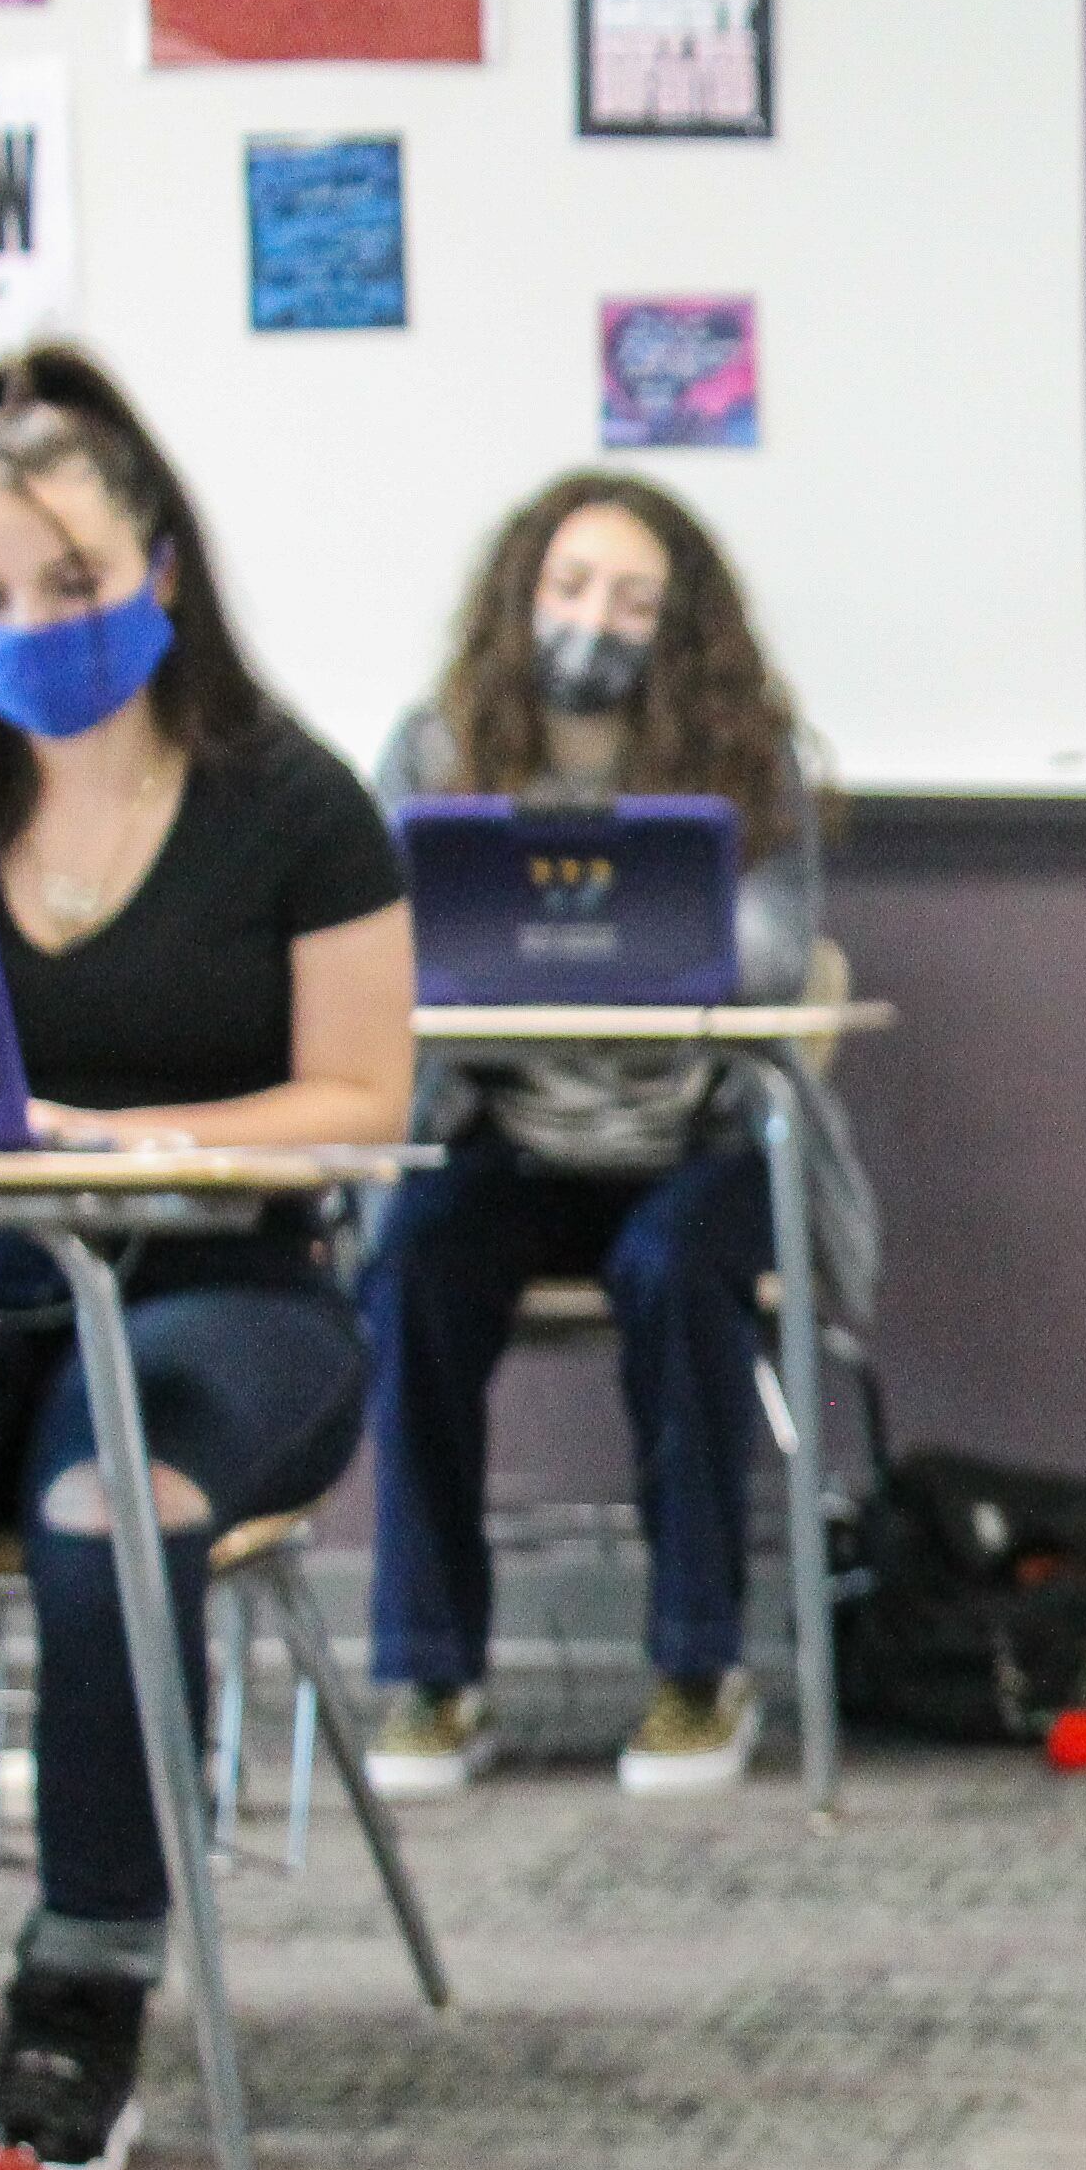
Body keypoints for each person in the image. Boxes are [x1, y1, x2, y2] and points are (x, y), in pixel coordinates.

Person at [0, 348, 412, 2170]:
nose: (32, 628)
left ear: (161, 572)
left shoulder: (295, 801)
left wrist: (143, 1142)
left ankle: (82, 1994)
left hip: (230, 1296)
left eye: (73, 587)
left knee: (108, 1508)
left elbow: (361, 1103)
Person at [360, 472, 860, 1801]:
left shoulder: (750, 758)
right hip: (511, 1132)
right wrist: (591, 948)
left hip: (693, 1138)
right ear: (522, 600)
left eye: (635, 599)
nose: (598, 620)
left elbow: (768, 952)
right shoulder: (435, 747)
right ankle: (429, 1674)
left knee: (673, 1272)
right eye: (573, 589)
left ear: (679, 624)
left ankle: (699, 1669)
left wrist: (561, 941)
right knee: (408, 1262)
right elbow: (378, 944)